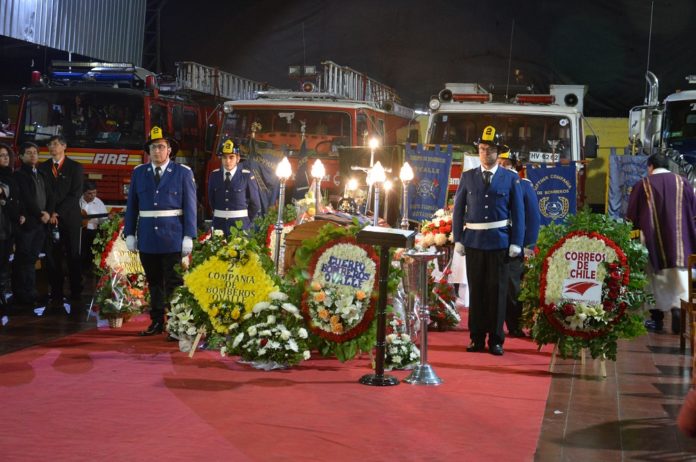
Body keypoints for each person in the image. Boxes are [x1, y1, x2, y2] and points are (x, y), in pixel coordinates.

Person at [452, 125, 524, 356]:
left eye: (490, 150)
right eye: (482, 149)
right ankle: (476, 338)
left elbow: (519, 212)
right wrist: (459, 238)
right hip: (474, 241)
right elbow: (458, 210)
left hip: (499, 242)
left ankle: (496, 340)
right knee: (477, 291)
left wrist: (517, 242)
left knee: (497, 293)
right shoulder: (468, 177)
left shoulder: (510, 178)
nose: (485, 153)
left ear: (498, 152)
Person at [124, 126, 196, 336]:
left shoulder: (183, 173)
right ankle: (157, 322)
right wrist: (130, 233)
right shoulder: (139, 173)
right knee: (154, 282)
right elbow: (132, 206)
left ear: (169, 150)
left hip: (172, 236)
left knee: (173, 283)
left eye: (161, 147)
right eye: (153, 147)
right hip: (147, 236)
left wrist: (188, 236)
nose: (157, 151)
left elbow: (190, 206)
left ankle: (176, 324)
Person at [626, 153, 696, 333]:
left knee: (654, 280)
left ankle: (657, 319)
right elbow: (693, 210)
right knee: (679, 279)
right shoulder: (683, 183)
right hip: (681, 243)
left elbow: (632, 215)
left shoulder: (643, 185)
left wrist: (632, 236)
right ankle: (677, 309)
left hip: (653, 242)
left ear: (650, 166)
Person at [497, 148, 540, 337]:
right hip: (495, 243)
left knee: (513, 288)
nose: (499, 164)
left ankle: (514, 325)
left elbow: (532, 219)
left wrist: (528, 246)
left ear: (512, 164)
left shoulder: (524, 185)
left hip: (515, 246)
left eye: (502, 161)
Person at [39, 135, 84, 308]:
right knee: (52, 257)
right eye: (49, 144)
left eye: (56, 144)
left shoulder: (75, 167)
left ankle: (76, 290)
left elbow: (75, 194)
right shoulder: (43, 167)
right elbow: (42, 193)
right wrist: (49, 213)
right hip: (49, 219)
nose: (52, 147)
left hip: (70, 219)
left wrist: (57, 212)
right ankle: (56, 291)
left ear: (64, 146)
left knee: (73, 254)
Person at [12, 142, 54, 307]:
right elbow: (27, 198)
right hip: (28, 223)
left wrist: (49, 212)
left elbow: (51, 195)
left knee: (32, 258)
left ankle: (30, 291)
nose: (32, 155)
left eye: (35, 152)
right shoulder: (19, 175)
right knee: (23, 259)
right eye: (28, 153)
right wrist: (40, 213)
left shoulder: (42, 173)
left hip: (42, 224)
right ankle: (22, 293)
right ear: (21, 156)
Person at [207, 139, 261, 235]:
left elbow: (255, 204)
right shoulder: (214, 175)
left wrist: (246, 221)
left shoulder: (247, 176)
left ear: (238, 158)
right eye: (224, 157)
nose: (227, 161)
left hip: (240, 227)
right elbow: (212, 201)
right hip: (219, 226)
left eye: (231, 157)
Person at [0, 143, 19, 311]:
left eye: (6, 155)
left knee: (5, 262)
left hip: (9, 226)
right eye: (1, 155)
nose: (4, 158)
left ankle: (3, 294)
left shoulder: (13, 176)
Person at [79, 180, 108, 270]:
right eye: (89, 193)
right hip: (79, 232)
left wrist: (107, 218)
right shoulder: (77, 201)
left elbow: (103, 220)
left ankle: (88, 271)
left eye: (95, 193)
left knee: (90, 254)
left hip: (93, 232)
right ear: (83, 193)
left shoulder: (99, 203)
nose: (93, 196)